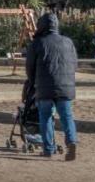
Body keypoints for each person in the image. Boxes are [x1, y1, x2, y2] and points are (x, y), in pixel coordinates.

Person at [25, 13, 78, 161]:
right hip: (65, 86)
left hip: (44, 87)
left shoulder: (37, 43)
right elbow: (75, 64)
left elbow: (29, 67)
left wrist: (32, 82)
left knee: (46, 117)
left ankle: (48, 149)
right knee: (67, 117)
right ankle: (72, 141)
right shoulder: (68, 42)